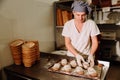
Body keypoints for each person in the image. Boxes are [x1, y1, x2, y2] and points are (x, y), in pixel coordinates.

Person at [62, 0, 100, 67]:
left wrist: (91, 54)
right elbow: (67, 43)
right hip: (72, 56)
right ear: (73, 12)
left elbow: (95, 42)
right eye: (78, 15)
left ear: (86, 14)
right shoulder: (68, 25)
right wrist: (76, 55)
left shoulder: (91, 24)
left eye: (83, 15)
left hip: (87, 57)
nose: (80, 18)